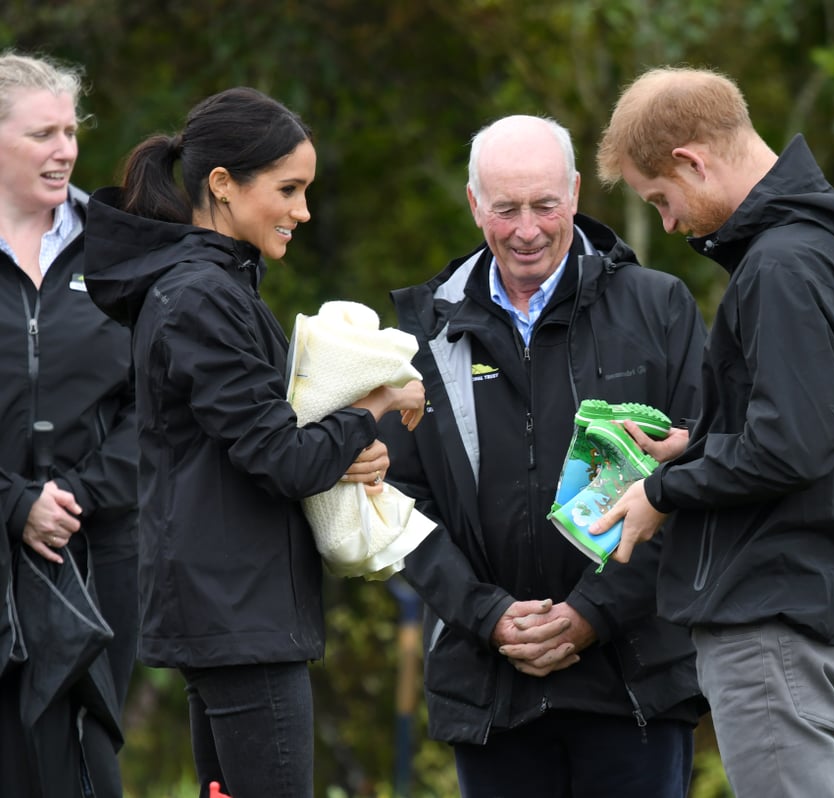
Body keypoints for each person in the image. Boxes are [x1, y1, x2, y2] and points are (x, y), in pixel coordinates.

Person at [82, 86, 425, 798]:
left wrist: (351, 446)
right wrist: (377, 402)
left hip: (233, 609)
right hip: (238, 614)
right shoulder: (202, 295)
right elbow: (285, 459)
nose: (303, 211)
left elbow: (265, 442)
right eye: (289, 189)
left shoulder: (210, 287)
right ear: (222, 186)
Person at [378, 114, 709, 798]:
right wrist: (488, 615)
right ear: (474, 205)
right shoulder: (425, 334)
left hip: (635, 681)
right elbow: (399, 505)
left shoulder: (659, 308)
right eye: (505, 209)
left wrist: (593, 613)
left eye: (544, 205)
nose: (526, 229)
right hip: (491, 684)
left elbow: (696, 479)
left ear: (577, 194)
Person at [593, 66, 834, 797]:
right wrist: (696, 446)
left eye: (661, 199)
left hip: (771, 616)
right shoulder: (828, 250)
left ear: (692, 160)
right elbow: (809, 428)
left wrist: (663, 489)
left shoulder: (782, 265)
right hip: (815, 604)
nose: (667, 223)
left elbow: (792, 443)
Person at [0, 51, 136, 797]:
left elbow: (158, 405)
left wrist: (75, 497)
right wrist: (14, 505)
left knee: (87, 766)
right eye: (41, 134)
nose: (64, 151)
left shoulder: (118, 248)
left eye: (70, 131)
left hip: (96, 553)